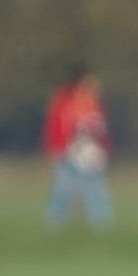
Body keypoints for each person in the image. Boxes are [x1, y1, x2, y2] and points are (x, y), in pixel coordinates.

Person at [42, 65, 113, 228]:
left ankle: (101, 226)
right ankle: (54, 225)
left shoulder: (96, 106)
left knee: (96, 193)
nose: (95, 87)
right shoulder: (65, 103)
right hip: (68, 155)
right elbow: (55, 127)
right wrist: (55, 149)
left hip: (92, 157)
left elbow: (102, 132)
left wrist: (104, 151)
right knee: (62, 192)